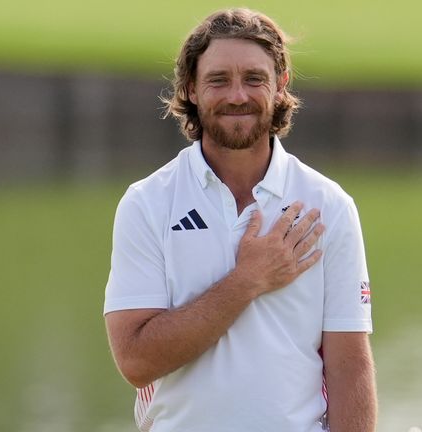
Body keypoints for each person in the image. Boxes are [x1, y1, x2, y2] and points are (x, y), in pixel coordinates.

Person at [104, 8, 376, 432]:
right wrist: (247, 280)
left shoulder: (329, 205)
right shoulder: (147, 203)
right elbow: (137, 361)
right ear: (191, 88)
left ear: (280, 84)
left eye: (254, 79)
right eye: (218, 80)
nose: (237, 96)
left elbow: (350, 366)